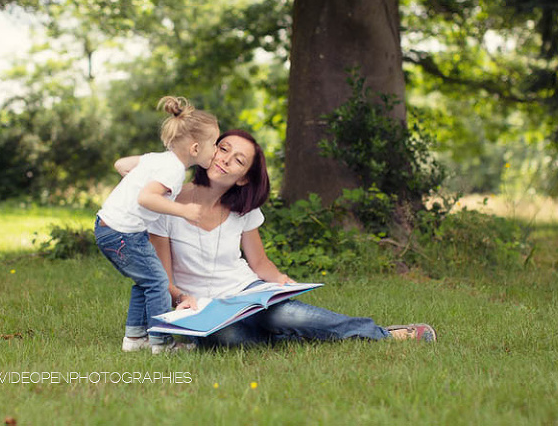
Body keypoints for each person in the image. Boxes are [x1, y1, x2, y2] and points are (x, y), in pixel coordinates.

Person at [146, 129, 437, 348]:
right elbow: (163, 279)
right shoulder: (167, 203)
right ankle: (300, 338)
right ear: (210, 150)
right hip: (203, 307)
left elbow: (259, 262)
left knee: (287, 316)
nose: (225, 160)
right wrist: (182, 299)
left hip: (246, 292)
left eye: (238, 160)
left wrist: (280, 281)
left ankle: (382, 334)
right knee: (229, 339)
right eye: (223, 149)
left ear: (244, 177)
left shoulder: (243, 209)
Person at [94, 96, 219, 354]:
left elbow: (121, 165)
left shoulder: (157, 160)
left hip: (111, 228)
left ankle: (134, 339)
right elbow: (146, 198)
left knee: (147, 282)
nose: (216, 151)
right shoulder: (174, 170)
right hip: (122, 234)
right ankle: (162, 342)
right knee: (159, 284)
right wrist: (184, 210)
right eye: (214, 144)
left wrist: (138, 178)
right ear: (195, 148)